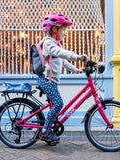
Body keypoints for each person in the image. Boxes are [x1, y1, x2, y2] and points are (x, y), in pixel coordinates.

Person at [37, 13, 89, 144]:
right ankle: (45, 131)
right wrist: (78, 57)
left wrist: (76, 70)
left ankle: (49, 128)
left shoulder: (55, 43)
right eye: (64, 29)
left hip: (51, 81)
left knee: (56, 104)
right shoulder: (49, 43)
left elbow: (63, 61)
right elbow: (61, 53)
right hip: (46, 80)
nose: (66, 32)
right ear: (55, 30)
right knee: (59, 103)